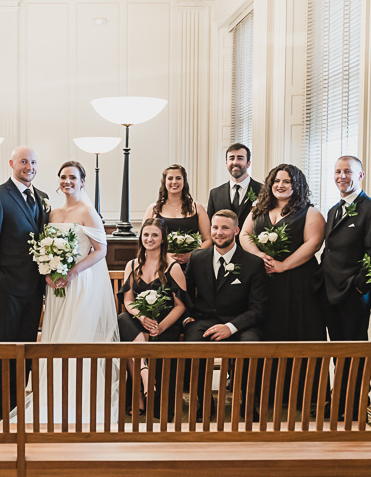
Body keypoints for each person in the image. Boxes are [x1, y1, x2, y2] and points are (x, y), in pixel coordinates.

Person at [26, 161, 120, 424]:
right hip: (55, 285)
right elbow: (44, 249)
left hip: (79, 283)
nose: (67, 181)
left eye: (73, 177)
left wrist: (73, 271)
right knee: (55, 335)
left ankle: (80, 398)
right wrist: (48, 270)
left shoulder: (88, 212)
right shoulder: (52, 214)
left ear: (82, 182)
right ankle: (51, 395)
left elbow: (101, 251)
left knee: (75, 337)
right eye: (63, 177)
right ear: (59, 181)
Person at [240, 164, 325, 405]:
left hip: (298, 283)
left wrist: (284, 265)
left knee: (296, 332)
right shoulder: (259, 209)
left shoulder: (310, 212)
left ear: (296, 185)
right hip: (265, 280)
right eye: (277, 181)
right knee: (268, 330)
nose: (280, 185)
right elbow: (244, 235)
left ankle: (301, 396)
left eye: (287, 181)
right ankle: (265, 393)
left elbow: (314, 243)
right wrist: (259, 255)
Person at [0, 146, 49, 418]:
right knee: (5, 346)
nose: (28, 166)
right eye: (23, 162)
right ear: (11, 164)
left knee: (26, 346)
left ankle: (18, 405)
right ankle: (0, 408)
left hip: (35, 288)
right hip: (7, 288)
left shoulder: (42, 197)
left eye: (33, 162)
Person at [319, 156, 371, 420]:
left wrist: (361, 287)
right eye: (337, 171)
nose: (341, 176)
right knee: (338, 349)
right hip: (329, 291)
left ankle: (357, 402)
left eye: (347, 171)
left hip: (353, 293)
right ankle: (340, 399)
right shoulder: (333, 210)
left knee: (356, 349)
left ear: (360, 175)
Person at [182, 209, 268, 421]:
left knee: (251, 346)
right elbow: (185, 293)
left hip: (241, 322)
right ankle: (205, 402)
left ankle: (247, 404)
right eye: (215, 227)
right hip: (204, 320)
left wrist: (230, 327)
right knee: (192, 342)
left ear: (236, 231)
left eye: (225, 228)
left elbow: (258, 309)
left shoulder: (253, 263)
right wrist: (187, 317)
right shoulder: (197, 258)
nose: (219, 232)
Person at [117, 218, 188, 413]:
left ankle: (140, 394)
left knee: (132, 341)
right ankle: (145, 375)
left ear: (163, 239)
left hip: (165, 323)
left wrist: (161, 326)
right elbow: (129, 301)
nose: (149, 239)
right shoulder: (132, 265)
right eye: (146, 234)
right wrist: (141, 318)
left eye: (155, 235)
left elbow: (180, 306)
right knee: (123, 320)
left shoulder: (173, 267)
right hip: (139, 322)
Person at [143, 164, 212, 264]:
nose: (174, 182)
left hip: (192, 264)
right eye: (170, 178)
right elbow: (144, 240)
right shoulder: (153, 209)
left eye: (178, 178)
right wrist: (164, 255)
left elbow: (208, 240)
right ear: (164, 182)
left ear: (184, 181)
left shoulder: (197, 208)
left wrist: (192, 255)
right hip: (162, 263)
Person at [207, 143, 263, 228]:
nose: (235, 162)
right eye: (231, 158)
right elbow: (210, 226)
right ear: (226, 164)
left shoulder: (263, 191)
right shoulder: (215, 194)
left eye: (240, 158)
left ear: (248, 163)